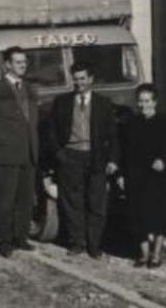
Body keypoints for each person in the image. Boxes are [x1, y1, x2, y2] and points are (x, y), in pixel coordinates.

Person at [46, 61, 118, 258]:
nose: (79, 83)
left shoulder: (104, 103)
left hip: (96, 157)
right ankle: (77, 242)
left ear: (91, 79)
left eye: (83, 79)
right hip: (71, 157)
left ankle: (94, 245)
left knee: (97, 203)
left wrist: (112, 159)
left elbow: (112, 134)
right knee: (72, 202)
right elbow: (51, 131)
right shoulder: (62, 102)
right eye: (75, 79)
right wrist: (59, 154)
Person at [0, 46, 40, 258]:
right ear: (7, 65)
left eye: (24, 61)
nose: (23, 65)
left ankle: (20, 238)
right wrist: (2, 145)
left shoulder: (30, 89)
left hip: (28, 153)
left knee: (25, 199)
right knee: (6, 200)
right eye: (18, 62)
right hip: (6, 155)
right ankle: (5, 241)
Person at [117, 84, 166, 268]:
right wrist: (121, 174)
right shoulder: (130, 124)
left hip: (158, 177)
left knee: (159, 215)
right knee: (137, 216)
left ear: (155, 102)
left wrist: (164, 160)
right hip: (136, 177)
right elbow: (123, 152)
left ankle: (156, 254)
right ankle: (144, 254)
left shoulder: (165, 122)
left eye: (147, 101)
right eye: (140, 101)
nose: (143, 105)